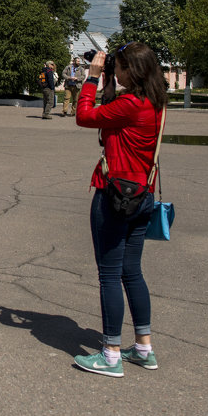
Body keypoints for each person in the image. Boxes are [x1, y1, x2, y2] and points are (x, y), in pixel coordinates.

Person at [72, 42, 167, 377]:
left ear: (132, 71)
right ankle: (143, 347)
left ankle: (110, 353)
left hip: (115, 196)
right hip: (143, 195)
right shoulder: (154, 102)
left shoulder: (130, 105)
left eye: (121, 67)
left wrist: (93, 77)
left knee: (110, 274)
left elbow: (84, 116)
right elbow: (111, 116)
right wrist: (110, 78)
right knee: (131, 272)